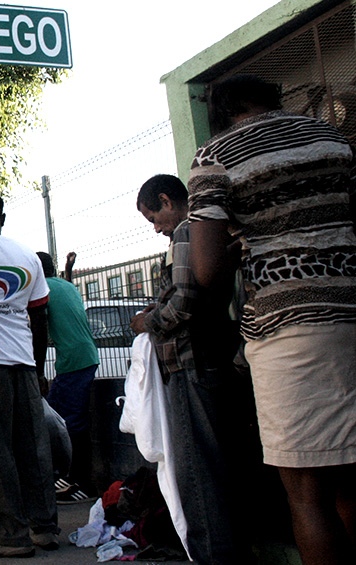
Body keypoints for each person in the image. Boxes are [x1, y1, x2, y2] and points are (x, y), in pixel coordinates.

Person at [187, 75, 356, 564]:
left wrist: (247, 250)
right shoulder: (333, 139)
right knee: (352, 477)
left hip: (290, 330)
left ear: (218, 110)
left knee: (307, 492)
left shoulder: (216, 155)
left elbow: (207, 269)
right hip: (352, 312)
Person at [130, 174, 253, 563]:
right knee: (216, 464)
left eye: (154, 217)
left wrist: (147, 323)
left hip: (191, 362)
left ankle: (214, 556)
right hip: (212, 356)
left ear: (167, 201)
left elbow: (184, 302)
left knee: (197, 472)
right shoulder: (202, 236)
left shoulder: (185, 233)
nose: (156, 228)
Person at [0, 191, 59, 558]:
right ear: (2, 219)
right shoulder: (27, 255)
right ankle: (45, 527)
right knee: (34, 448)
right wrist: (38, 370)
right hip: (24, 363)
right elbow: (38, 317)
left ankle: (12, 534)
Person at [37, 251, 99, 504]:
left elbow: (37, 324)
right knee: (55, 416)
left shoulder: (43, 289)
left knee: (71, 422)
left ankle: (81, 481)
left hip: (73, 361)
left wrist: (38, 370)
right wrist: (68, 268)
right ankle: (65, 475)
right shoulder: (64, 285)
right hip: (80, 357)